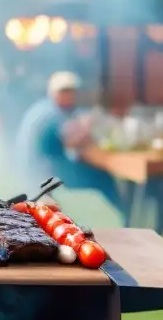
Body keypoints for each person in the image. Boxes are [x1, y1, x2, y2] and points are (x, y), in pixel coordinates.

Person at [14, 71, 125, 218]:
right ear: (53, 92)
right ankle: (124, 214)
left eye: (72, 92)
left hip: (35, 168)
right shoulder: (51, 114)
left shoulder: (43, 107)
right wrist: (86, 129)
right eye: (64, 91)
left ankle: (121, 213)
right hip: (44, 173)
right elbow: (71, 140)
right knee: (102, 176)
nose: (69, 96)